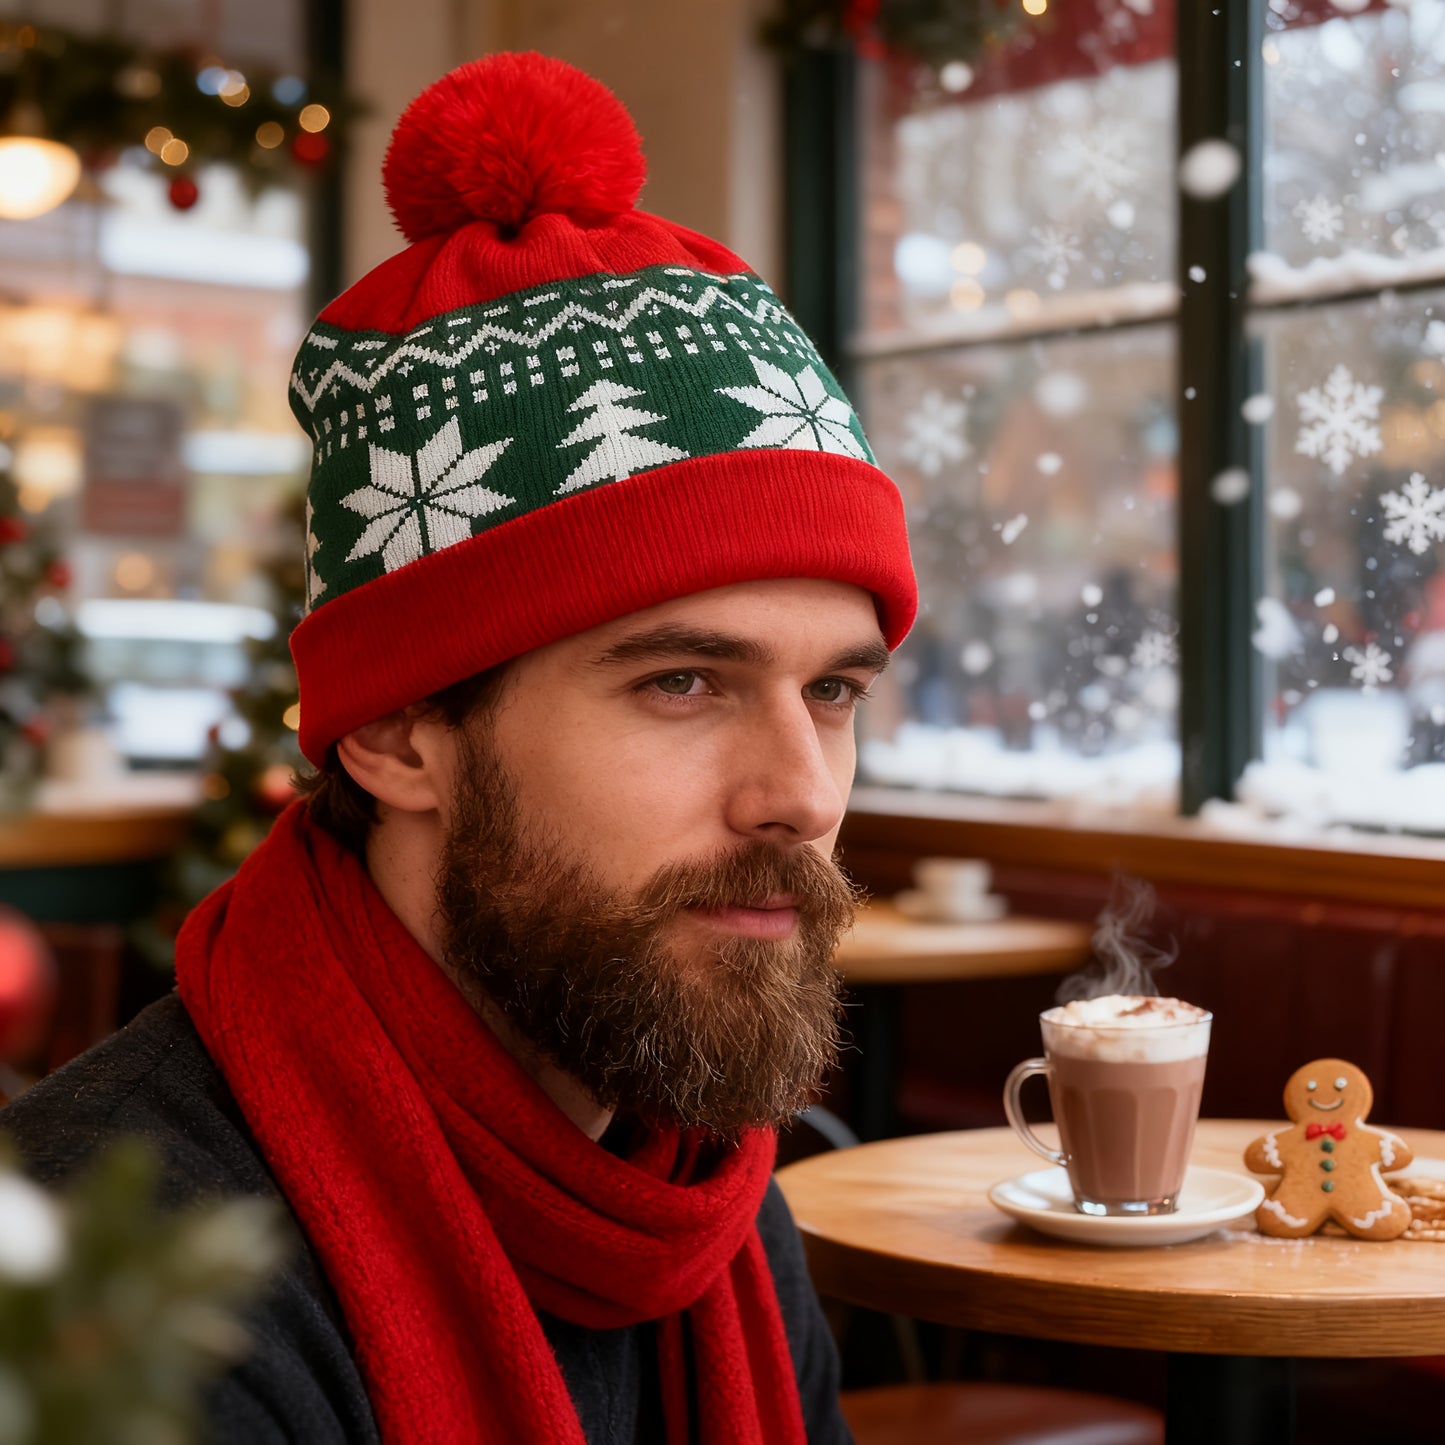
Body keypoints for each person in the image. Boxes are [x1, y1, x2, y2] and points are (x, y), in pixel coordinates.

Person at [1, 52, 915, 1445]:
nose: (798, 792)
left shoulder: (697, 1187)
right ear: (393, 731)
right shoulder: (123, 1282)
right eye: (680, 680)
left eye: (834, 691)